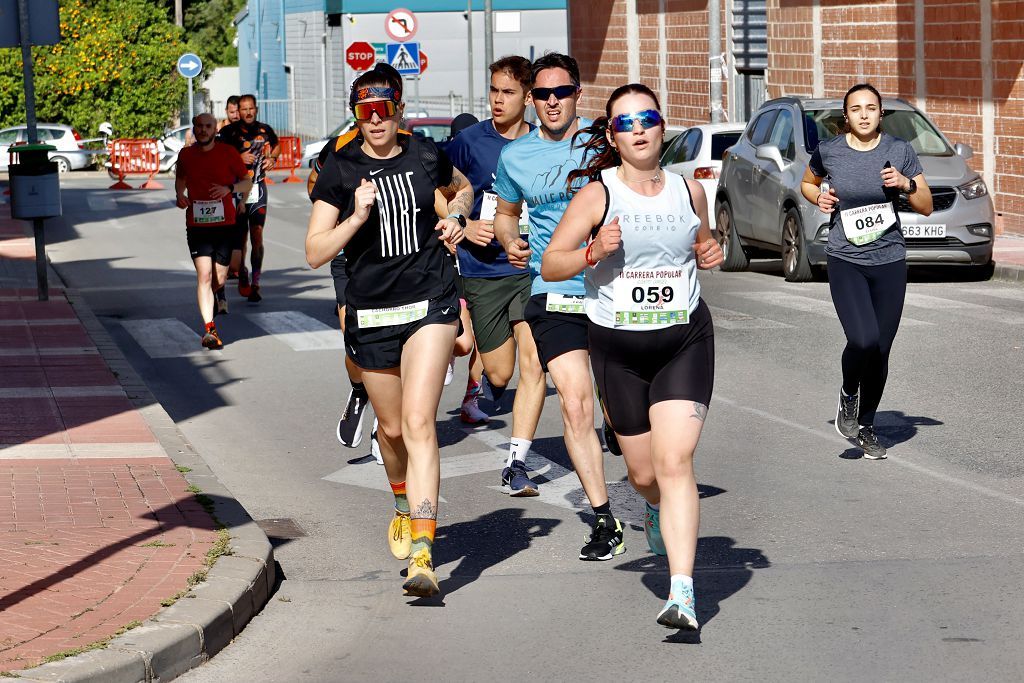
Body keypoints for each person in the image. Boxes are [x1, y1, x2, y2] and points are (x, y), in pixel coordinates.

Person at [541, 83, 723, 629]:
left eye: (647, 118)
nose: (639, 129)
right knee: (644, 474)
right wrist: (592, 251)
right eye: (626, 122)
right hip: (617, 349)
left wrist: (709, 250)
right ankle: (648, 505)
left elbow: (704, 244)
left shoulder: (690, 190)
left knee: (675, 463)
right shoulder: (598, 196)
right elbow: (552, 264)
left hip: (683, 338)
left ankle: (683, 592)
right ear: (614, 137)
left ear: (662, 126)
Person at [306, 63, 474, 598]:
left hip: (429, 300)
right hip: (372, 312)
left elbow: (462, 188)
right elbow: (314, 252)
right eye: (365, 111)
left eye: (384, 109)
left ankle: (424, 553)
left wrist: (458, 219)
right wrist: (353, 219)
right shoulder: (340, 167)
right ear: (355, 114)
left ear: (399, 110)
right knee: (394, 430)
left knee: (422, 422)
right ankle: (400, 498)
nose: (375, 120)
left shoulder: (426, 153)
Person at [492, 52, 624, 560]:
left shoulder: (602, 143)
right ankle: (604, 518)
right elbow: (507, 215)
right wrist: (509, 241)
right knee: (574, 401)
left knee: (625, 410)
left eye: (561, 93)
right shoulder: (515, 157)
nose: (551, 102)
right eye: (542, 95)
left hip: (614, 288)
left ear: (577, 95)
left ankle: (651, 485)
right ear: (532, 99)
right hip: (553, 291)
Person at [800, 83, 932, 460]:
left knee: (882, 350)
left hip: (889, 260)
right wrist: (819, 196)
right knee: (863, 340)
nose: (863, 114)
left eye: (871, 108)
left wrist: (905, 184)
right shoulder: (829, 151)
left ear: (880, 114)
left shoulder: (898, 150)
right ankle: (847, 395)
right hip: (846, 258)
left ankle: (867, 425)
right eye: (855, 108)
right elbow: (807, 184)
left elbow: (924, 205)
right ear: (846, 116)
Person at [446, 56, 548, 445]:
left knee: (534, 362)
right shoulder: (468, 143)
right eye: (494, 90)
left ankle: (518, 454)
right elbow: (440, 191)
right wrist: (465, 224)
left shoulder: (541, 142)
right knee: (501, 373)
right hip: (483, 270)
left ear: (526, 98)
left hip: (528, 266)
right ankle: (486, 385)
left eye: (508, 92)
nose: (497, 100)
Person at [174, 113, 253, 350]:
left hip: (225, 225)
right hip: (197, 226)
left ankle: (215, 296)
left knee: (218, 278)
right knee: (204, 276)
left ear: (215, 129)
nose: (203, 130)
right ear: (194, 128)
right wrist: (180, 194)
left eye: (207, 126)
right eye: (199, 126)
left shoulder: (228, 153)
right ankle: (210, 329)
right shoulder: (186, 155)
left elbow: (246, 181)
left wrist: (229, 189)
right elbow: (181, 178)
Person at [219, 94, 280, 303]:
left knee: (257, 235)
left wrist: (272, 158)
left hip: (258, 188)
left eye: (250, 108)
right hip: (236, 190)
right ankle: (241, 270)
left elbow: (277, 145)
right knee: (240, 237)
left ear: (256, 109)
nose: (247, 112)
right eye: (243, 109)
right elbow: (218, 155)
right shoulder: (228, 132)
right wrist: (239, 157)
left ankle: (256, 283)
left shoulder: (265, 129)